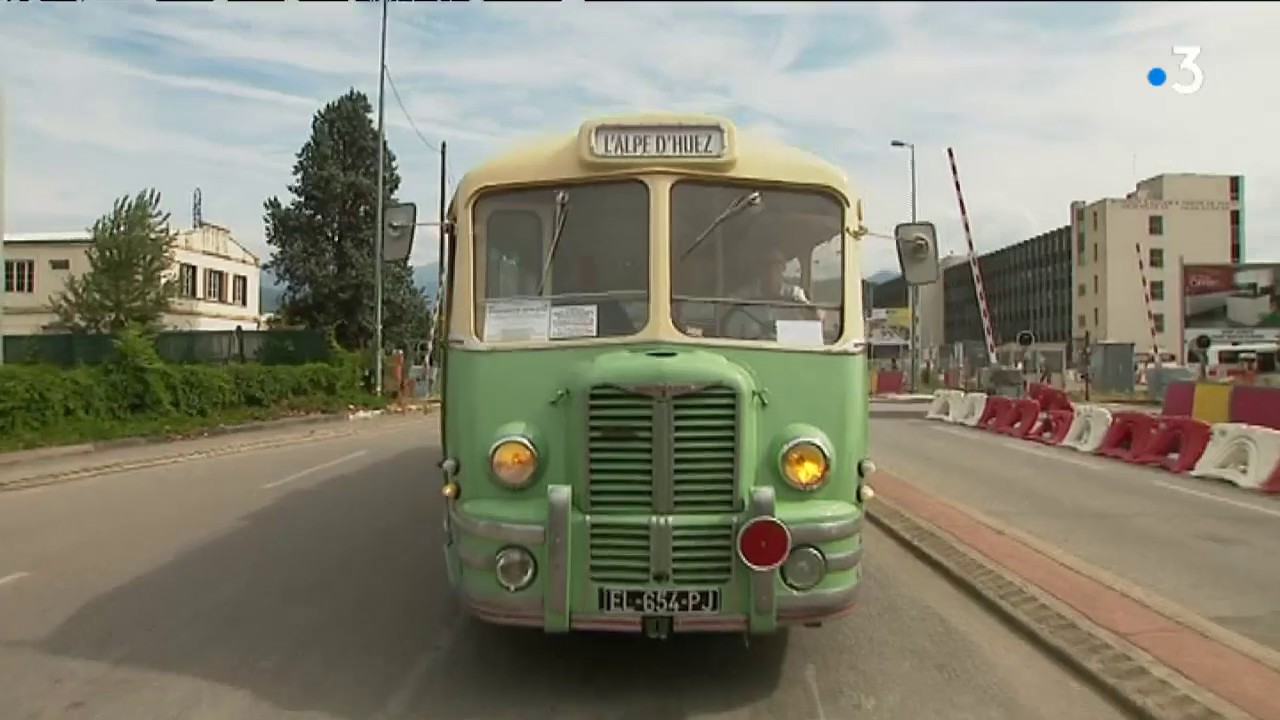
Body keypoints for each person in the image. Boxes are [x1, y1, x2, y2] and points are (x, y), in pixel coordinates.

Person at [723, 248, 821, 339]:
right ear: (760, 272)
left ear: (783, 270)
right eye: (767, 268)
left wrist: (817, 313)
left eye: (776, 268)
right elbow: (727, 307)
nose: (772, 274)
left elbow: (811, 315)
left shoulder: (794, 294)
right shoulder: (747, 295)